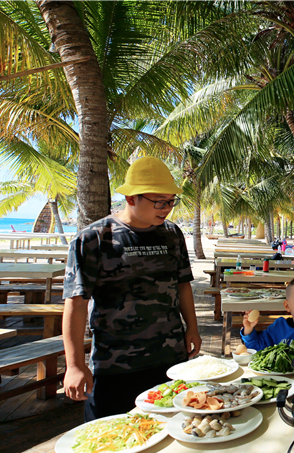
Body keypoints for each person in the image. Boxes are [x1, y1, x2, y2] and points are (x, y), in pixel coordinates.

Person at [62, 156, 201, 420]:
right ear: (131, 199)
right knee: (109, 439)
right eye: (159, 202)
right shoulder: (93, 239)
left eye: (171, 201)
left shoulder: (172, 234)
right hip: (114, 365)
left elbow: (182, 285)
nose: (167, 208)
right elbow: (76, 303)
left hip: (169, 359)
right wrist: (75, 365)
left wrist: (192, 328)